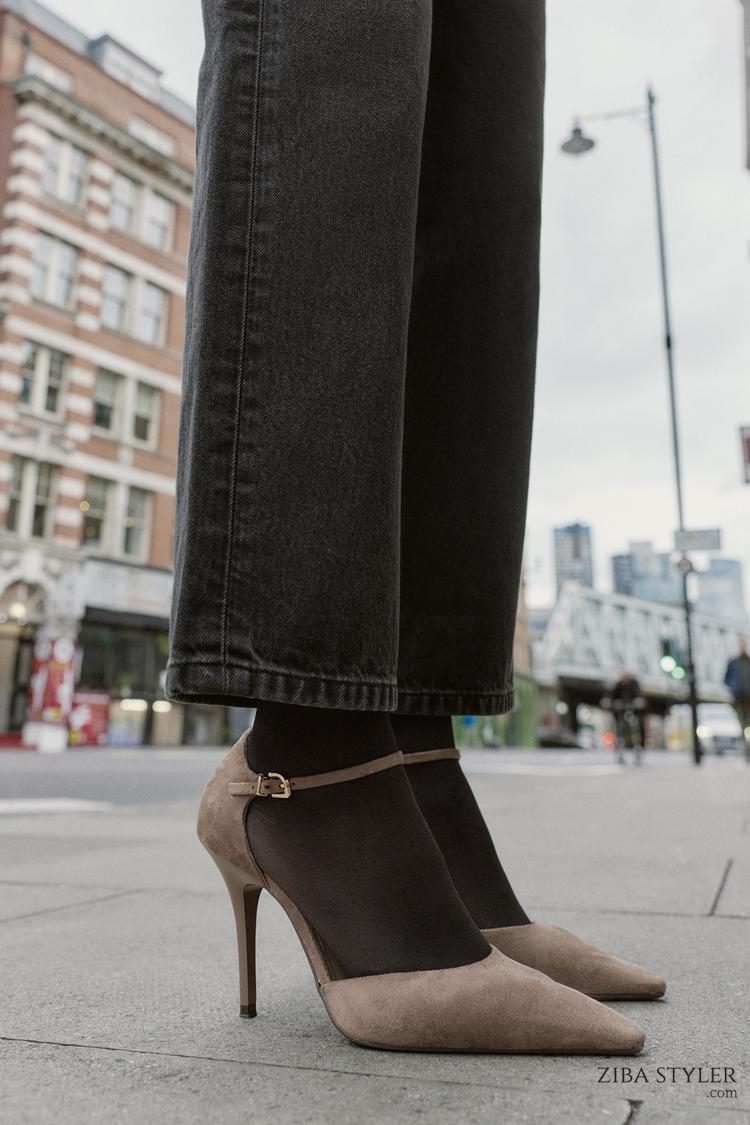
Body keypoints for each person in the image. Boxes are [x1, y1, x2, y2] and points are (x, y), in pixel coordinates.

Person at [166, 0, 663, 1055]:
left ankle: (413, 759)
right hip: (304, 767)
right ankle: (311, 762)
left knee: (478, 145)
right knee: (337, 55)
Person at [611, 669, 648, 762]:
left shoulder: (634, 684)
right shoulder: (618, 685)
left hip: (633, 711)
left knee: (636, 728)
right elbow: (611, 695)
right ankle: (620, 751)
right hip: (621, 710)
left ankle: (638, 749)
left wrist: (639, 700)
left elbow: (639, 694)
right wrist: (607, 700)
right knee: (619, 729)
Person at [724, 639, 750, 758]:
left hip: (749, 698)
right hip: (739, 698)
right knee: (742, 724)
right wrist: (733, 688)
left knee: (748, 723)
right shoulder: (733, 662)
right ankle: (746, 749)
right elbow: (726, 679)